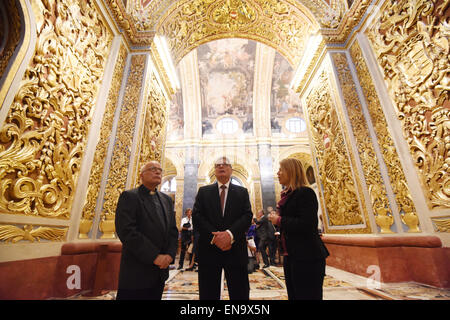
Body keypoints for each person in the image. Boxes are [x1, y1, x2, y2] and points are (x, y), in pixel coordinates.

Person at [115, 161, 178, 300]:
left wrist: (169, 255)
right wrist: (155, 256)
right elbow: (127, 231)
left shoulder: (166, 200)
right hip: (136, 272)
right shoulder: (130, 196)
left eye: (160, 170)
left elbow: (173, 231)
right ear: (141, 175)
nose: (158, 172)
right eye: (153, 169)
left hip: (160, 273)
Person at [192, 156, 253, 300]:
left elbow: (247, 216)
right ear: (214, 169)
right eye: (218, 165)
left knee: (240, 293)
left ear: (231, 170)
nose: (221, 167)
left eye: (225, 165)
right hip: (209, 249)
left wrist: (229, 235)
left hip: (235, 249)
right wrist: (215, 237)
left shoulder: (242, 192)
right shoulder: (203, 191)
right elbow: (197, 216)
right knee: (208, 293)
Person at [269, 158, 329, 300]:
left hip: (307, 256)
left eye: (281, 170)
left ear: (291, 171)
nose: (278, 173)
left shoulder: (305, 193)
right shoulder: (287, 195)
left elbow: (307, 224)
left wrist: (279, 220)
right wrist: (278, 220)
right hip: (292, 255)